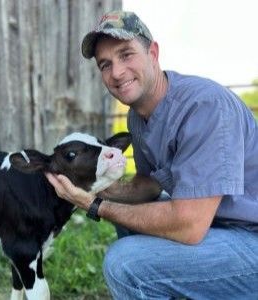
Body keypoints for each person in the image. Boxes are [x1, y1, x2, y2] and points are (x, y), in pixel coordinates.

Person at [46, 10, 258, 300]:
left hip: (249, 237)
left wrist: (94, 205)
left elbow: (190, 226)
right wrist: (102, 190)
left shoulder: (204, 107)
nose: (117, 73)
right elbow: (149, 185)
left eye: (126, 55)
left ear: (153, 52)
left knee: (126, 264)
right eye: (105, 64)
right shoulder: (138, 117)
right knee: (127, 216)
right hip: (219, 228)